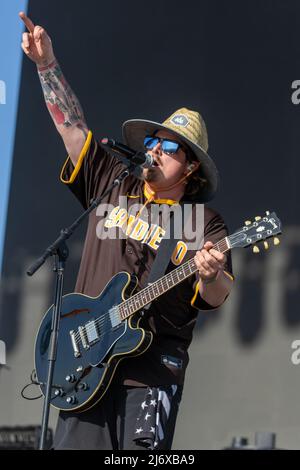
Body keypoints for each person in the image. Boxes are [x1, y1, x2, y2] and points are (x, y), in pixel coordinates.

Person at [20, 12, 234, 450]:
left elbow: (217, 294)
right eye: (153, 139)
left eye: (169, 146)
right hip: (83, 365)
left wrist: (211, 274)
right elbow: (72, 128)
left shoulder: (201, 223)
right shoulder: (114, 181)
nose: (155, 148)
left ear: (190, 166)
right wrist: (47, 66)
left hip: (148, 374)